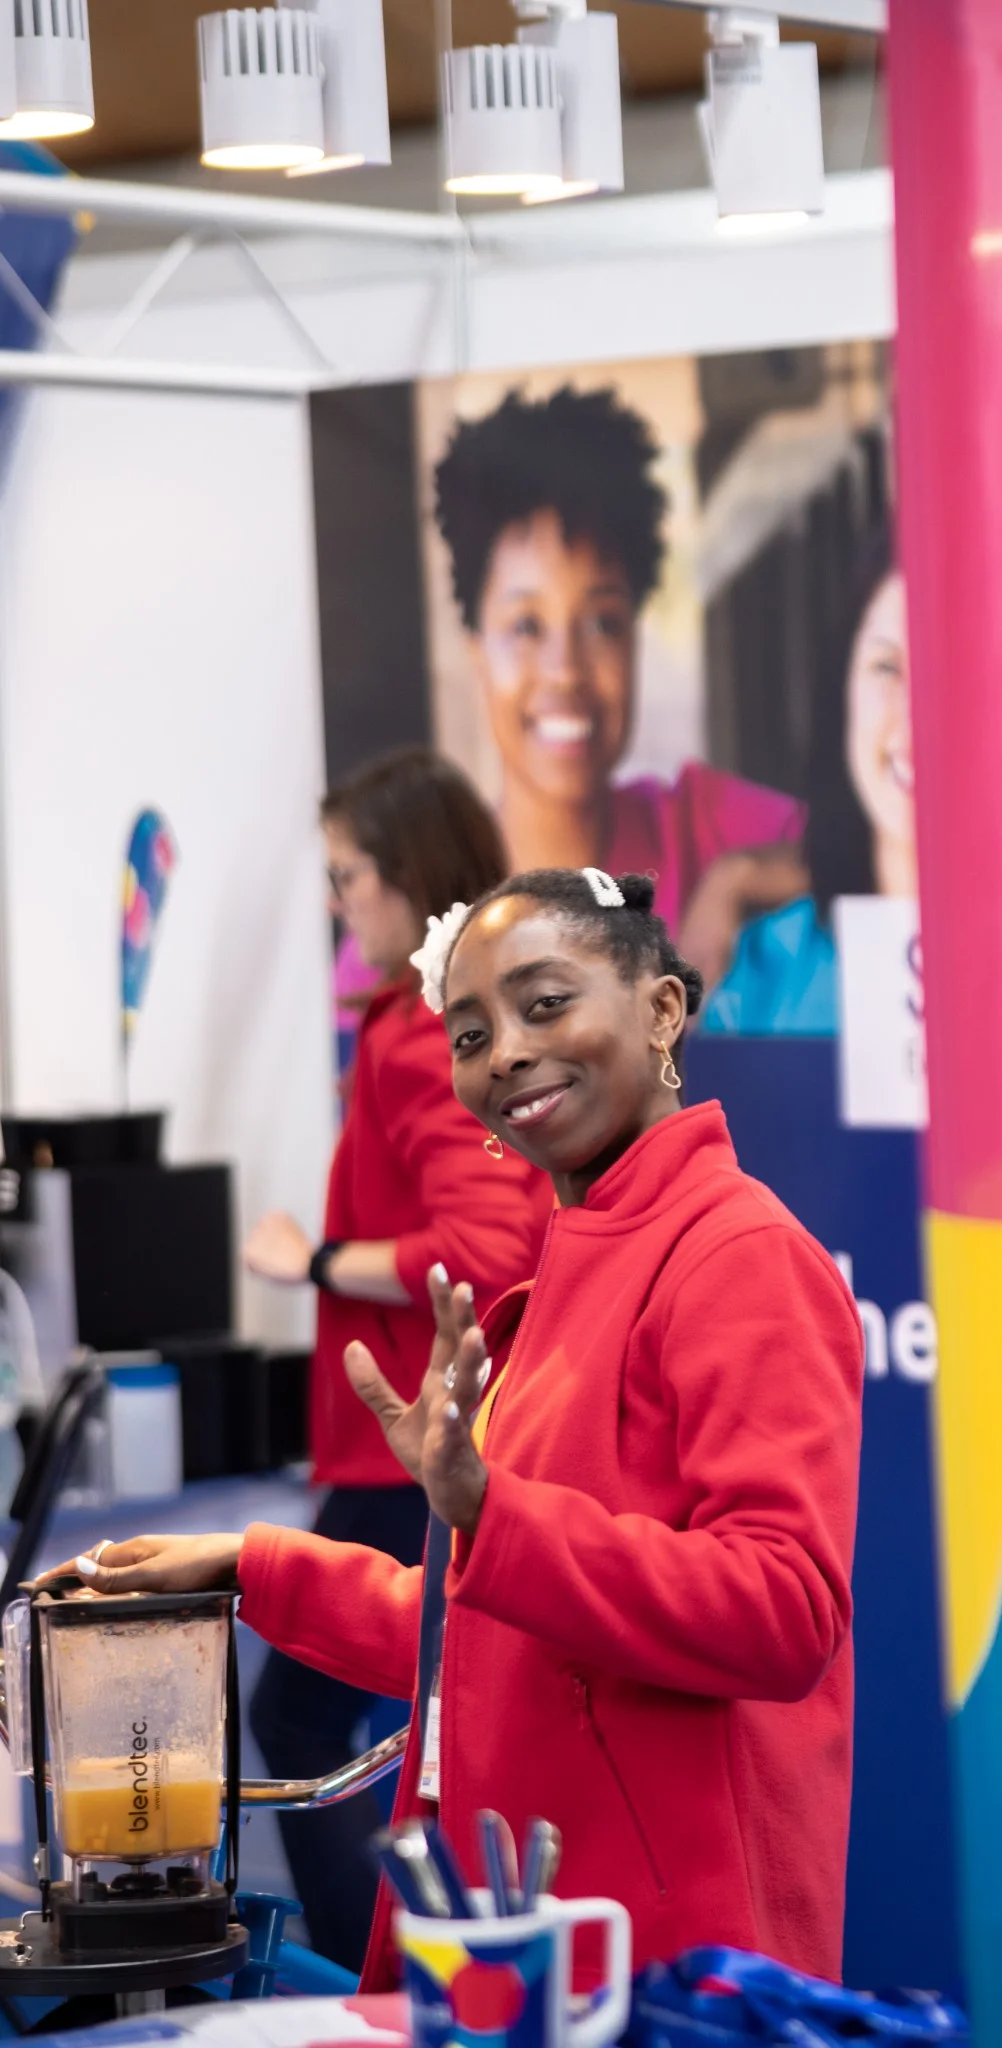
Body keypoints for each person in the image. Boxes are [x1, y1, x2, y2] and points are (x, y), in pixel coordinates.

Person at [54, 867, 863, 1988]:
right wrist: (248, 1568)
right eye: (473, 1031)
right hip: (515, 1937)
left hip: (663, 1962)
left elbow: (785, 1611)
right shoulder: (560, 1280)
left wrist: (490, 1507)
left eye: (545, 1004)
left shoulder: (739, 1254)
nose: (507, 1054)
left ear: (664, 1009)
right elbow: (490, 1636)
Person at [242, 749, 554, 1971]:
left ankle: (384, 1988)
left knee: (305, 1710)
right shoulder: (418, 1023)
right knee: (359, 1715)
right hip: (420, 1433)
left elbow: (481, 1247)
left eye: (348, 875)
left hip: (422, 1434)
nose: (338, 902)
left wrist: (313, 1261)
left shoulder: (425, 1032)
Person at [432, 386, 809, 990]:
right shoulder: (428, 903)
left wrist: (739, 877)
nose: (566, 670)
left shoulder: (703, 828)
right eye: (526, 626)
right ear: (475, 650)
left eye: (602, 622)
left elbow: (886, 859)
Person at [701, 521, 914, 1035]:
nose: (915, 712)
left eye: (952, 667)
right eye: (887, 667)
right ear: (842, 696)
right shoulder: (762, 981)